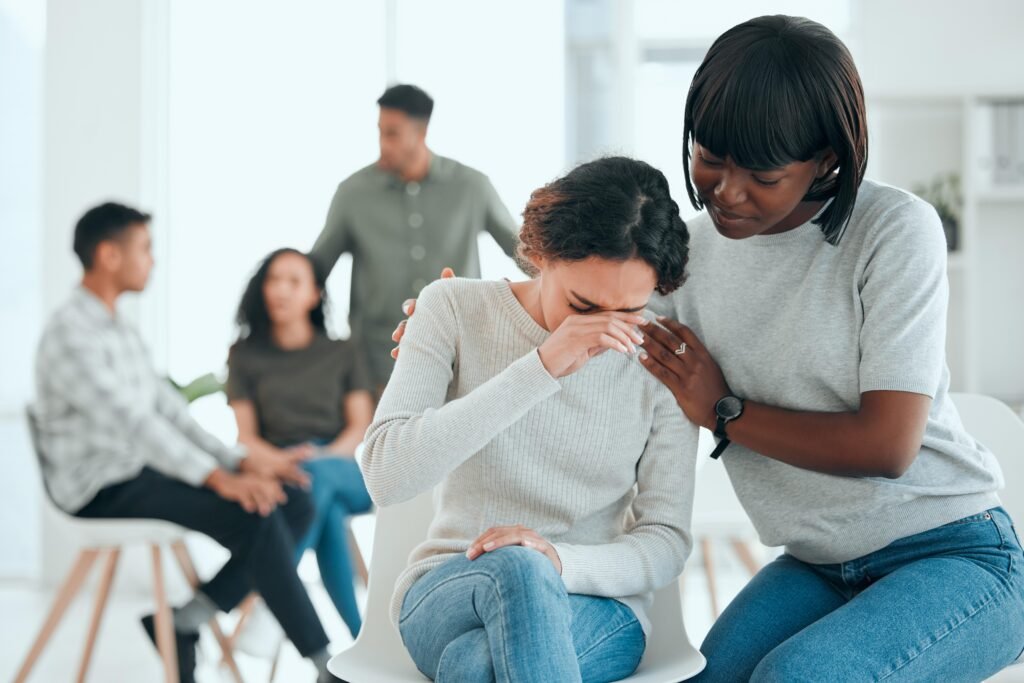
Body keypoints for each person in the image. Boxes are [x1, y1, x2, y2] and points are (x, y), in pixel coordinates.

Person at [393, 16, 1024, 682]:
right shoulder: (685, 260)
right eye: (710, 156)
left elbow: (888, 446)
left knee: (797, 677)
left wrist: (723, 410)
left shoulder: (895, 231)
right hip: (817, 565)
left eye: (761, 173)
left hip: (955, 554)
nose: (726, 189)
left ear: (826, 160)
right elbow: (585, 302)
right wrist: (455, 321)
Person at [362, 156, 698, 683]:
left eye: (628, 311)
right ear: (540, 254)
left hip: (595, 604)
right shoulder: (450, 309)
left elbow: (665, 540)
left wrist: (559, 562)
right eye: (583, 305)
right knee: (517, 568)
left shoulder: (661, 358)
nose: (605, 332)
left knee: (477, 668)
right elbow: (386, 476)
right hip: (450, 588)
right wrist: (540, 368)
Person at [33, 203, 339, 683]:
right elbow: (133, 423)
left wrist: (239, 462)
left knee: (293, 500)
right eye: (145, 249)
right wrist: (218, 479)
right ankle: (323, 663)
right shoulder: (71, 334)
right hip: (98, 485)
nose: (152, 260)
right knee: (255, 513)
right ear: (109, 255)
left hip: (137, 469)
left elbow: (171, 413)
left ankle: (182, 620)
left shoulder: (119, 328)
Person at [310, 83, 520, 393]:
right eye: (380, 131)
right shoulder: (352, 193)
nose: (383, 143)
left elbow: (526, 254)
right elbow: (314, 270)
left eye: (392, 133)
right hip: (377, 365)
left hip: (461, 357)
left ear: (421, 132)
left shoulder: (472, 186)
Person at [227, 247, 375, 640]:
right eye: (274, 280)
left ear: (314, 295)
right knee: (322, 510)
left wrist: (321, 457)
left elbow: (360, 426)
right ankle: (359, 639)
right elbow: (246, 437)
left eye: (294, 282)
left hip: (342, 467)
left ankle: (271, 596)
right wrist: (279, 463)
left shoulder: (342, 351)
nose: (281, 290)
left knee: (316, 480)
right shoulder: (244, 354)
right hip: (286, 472)